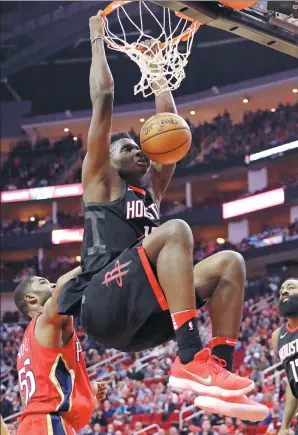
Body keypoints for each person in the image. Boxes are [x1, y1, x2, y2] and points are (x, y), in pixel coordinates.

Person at [57, 11, 265, 420]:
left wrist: (156, 71)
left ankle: (216, 369)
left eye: (139, 146)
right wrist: (97, 39)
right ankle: (189, 355)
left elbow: (169, 129)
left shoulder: (149, 188)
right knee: (176, 230)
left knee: (230, 264)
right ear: (108, 159)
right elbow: (103, 99)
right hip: (103, 301)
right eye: (127, 148)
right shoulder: (99, 180)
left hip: (144, 319)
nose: (137, 149)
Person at [13, 268, 108, 435]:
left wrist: (84, 392)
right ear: (31, 297)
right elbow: (63, 287)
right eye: (44, 282)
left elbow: (42, 397)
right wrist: (91, 263)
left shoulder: (27, 345)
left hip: (35, 425)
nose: (53, 284)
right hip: (45, 423)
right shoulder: (46, 321)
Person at [272, 278, 298, 435]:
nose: (284, 291)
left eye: (291, 287)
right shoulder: (277, 336)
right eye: (282, 289)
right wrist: (284, 426)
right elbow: (293, 381)